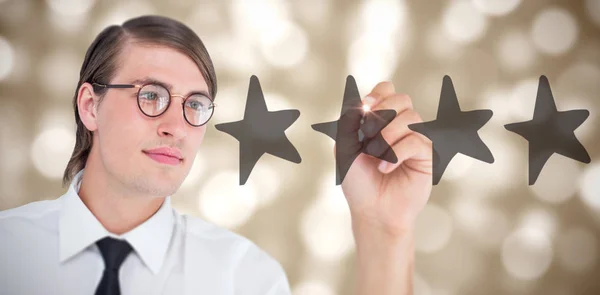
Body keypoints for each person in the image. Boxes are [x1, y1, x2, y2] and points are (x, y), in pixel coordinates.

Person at [0, 15, 432, 295]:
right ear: (90, 106)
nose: (175, 126)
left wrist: (385, 230)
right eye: (151, 96)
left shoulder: (244, 279)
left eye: (195, 105)